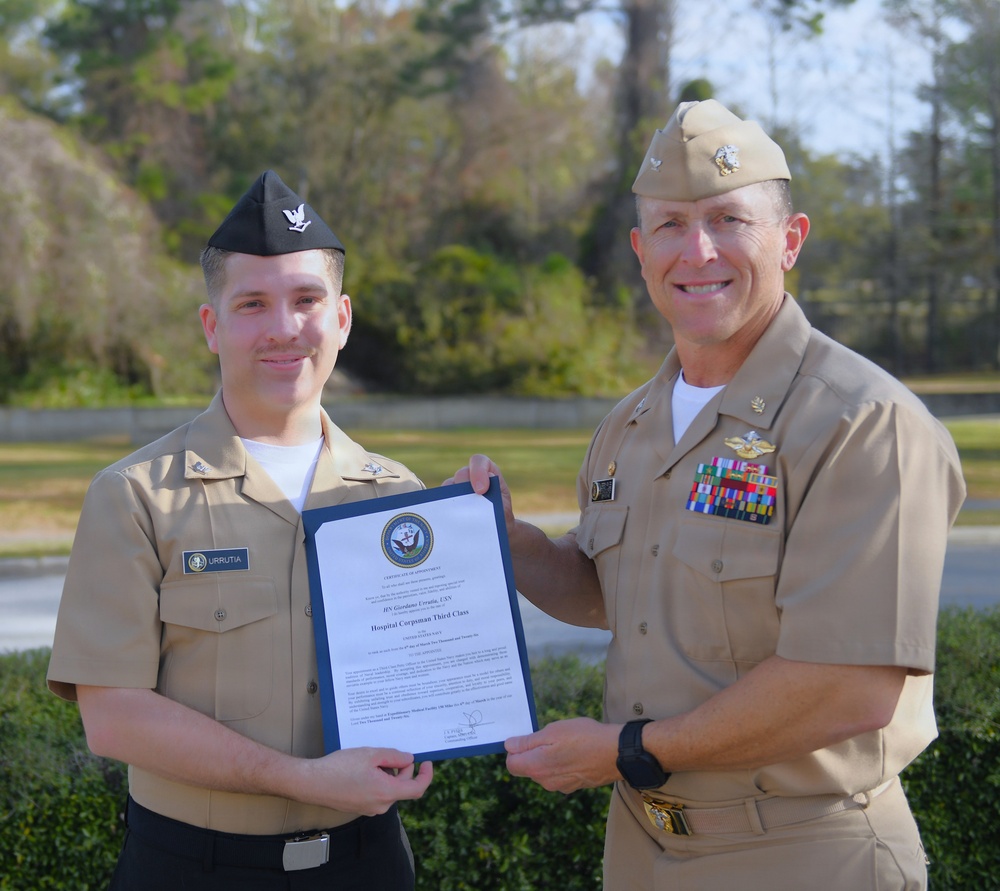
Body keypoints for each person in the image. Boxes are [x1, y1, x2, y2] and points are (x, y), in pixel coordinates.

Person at [448, 99, 966, 889]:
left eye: (729, 220)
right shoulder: (630, 424)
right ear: (640, 250)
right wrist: (508, 542)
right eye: (671, 225)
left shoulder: (863, 423)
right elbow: (614, 594)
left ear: (790, 239)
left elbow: (849, 686)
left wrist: (629, 749)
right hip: (642, 846)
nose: (698, 251)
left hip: (804, 851)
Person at [47, 170, 434, 890]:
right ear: (211, 326)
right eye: (253, 304)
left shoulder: (400, 500)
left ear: (342, 318)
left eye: (306, 300)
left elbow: (436, 675)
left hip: (368, 863)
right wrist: (302, 778)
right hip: (195, 869)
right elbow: (114, 719)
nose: (284, 327)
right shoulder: (135, 496)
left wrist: (481, 533)